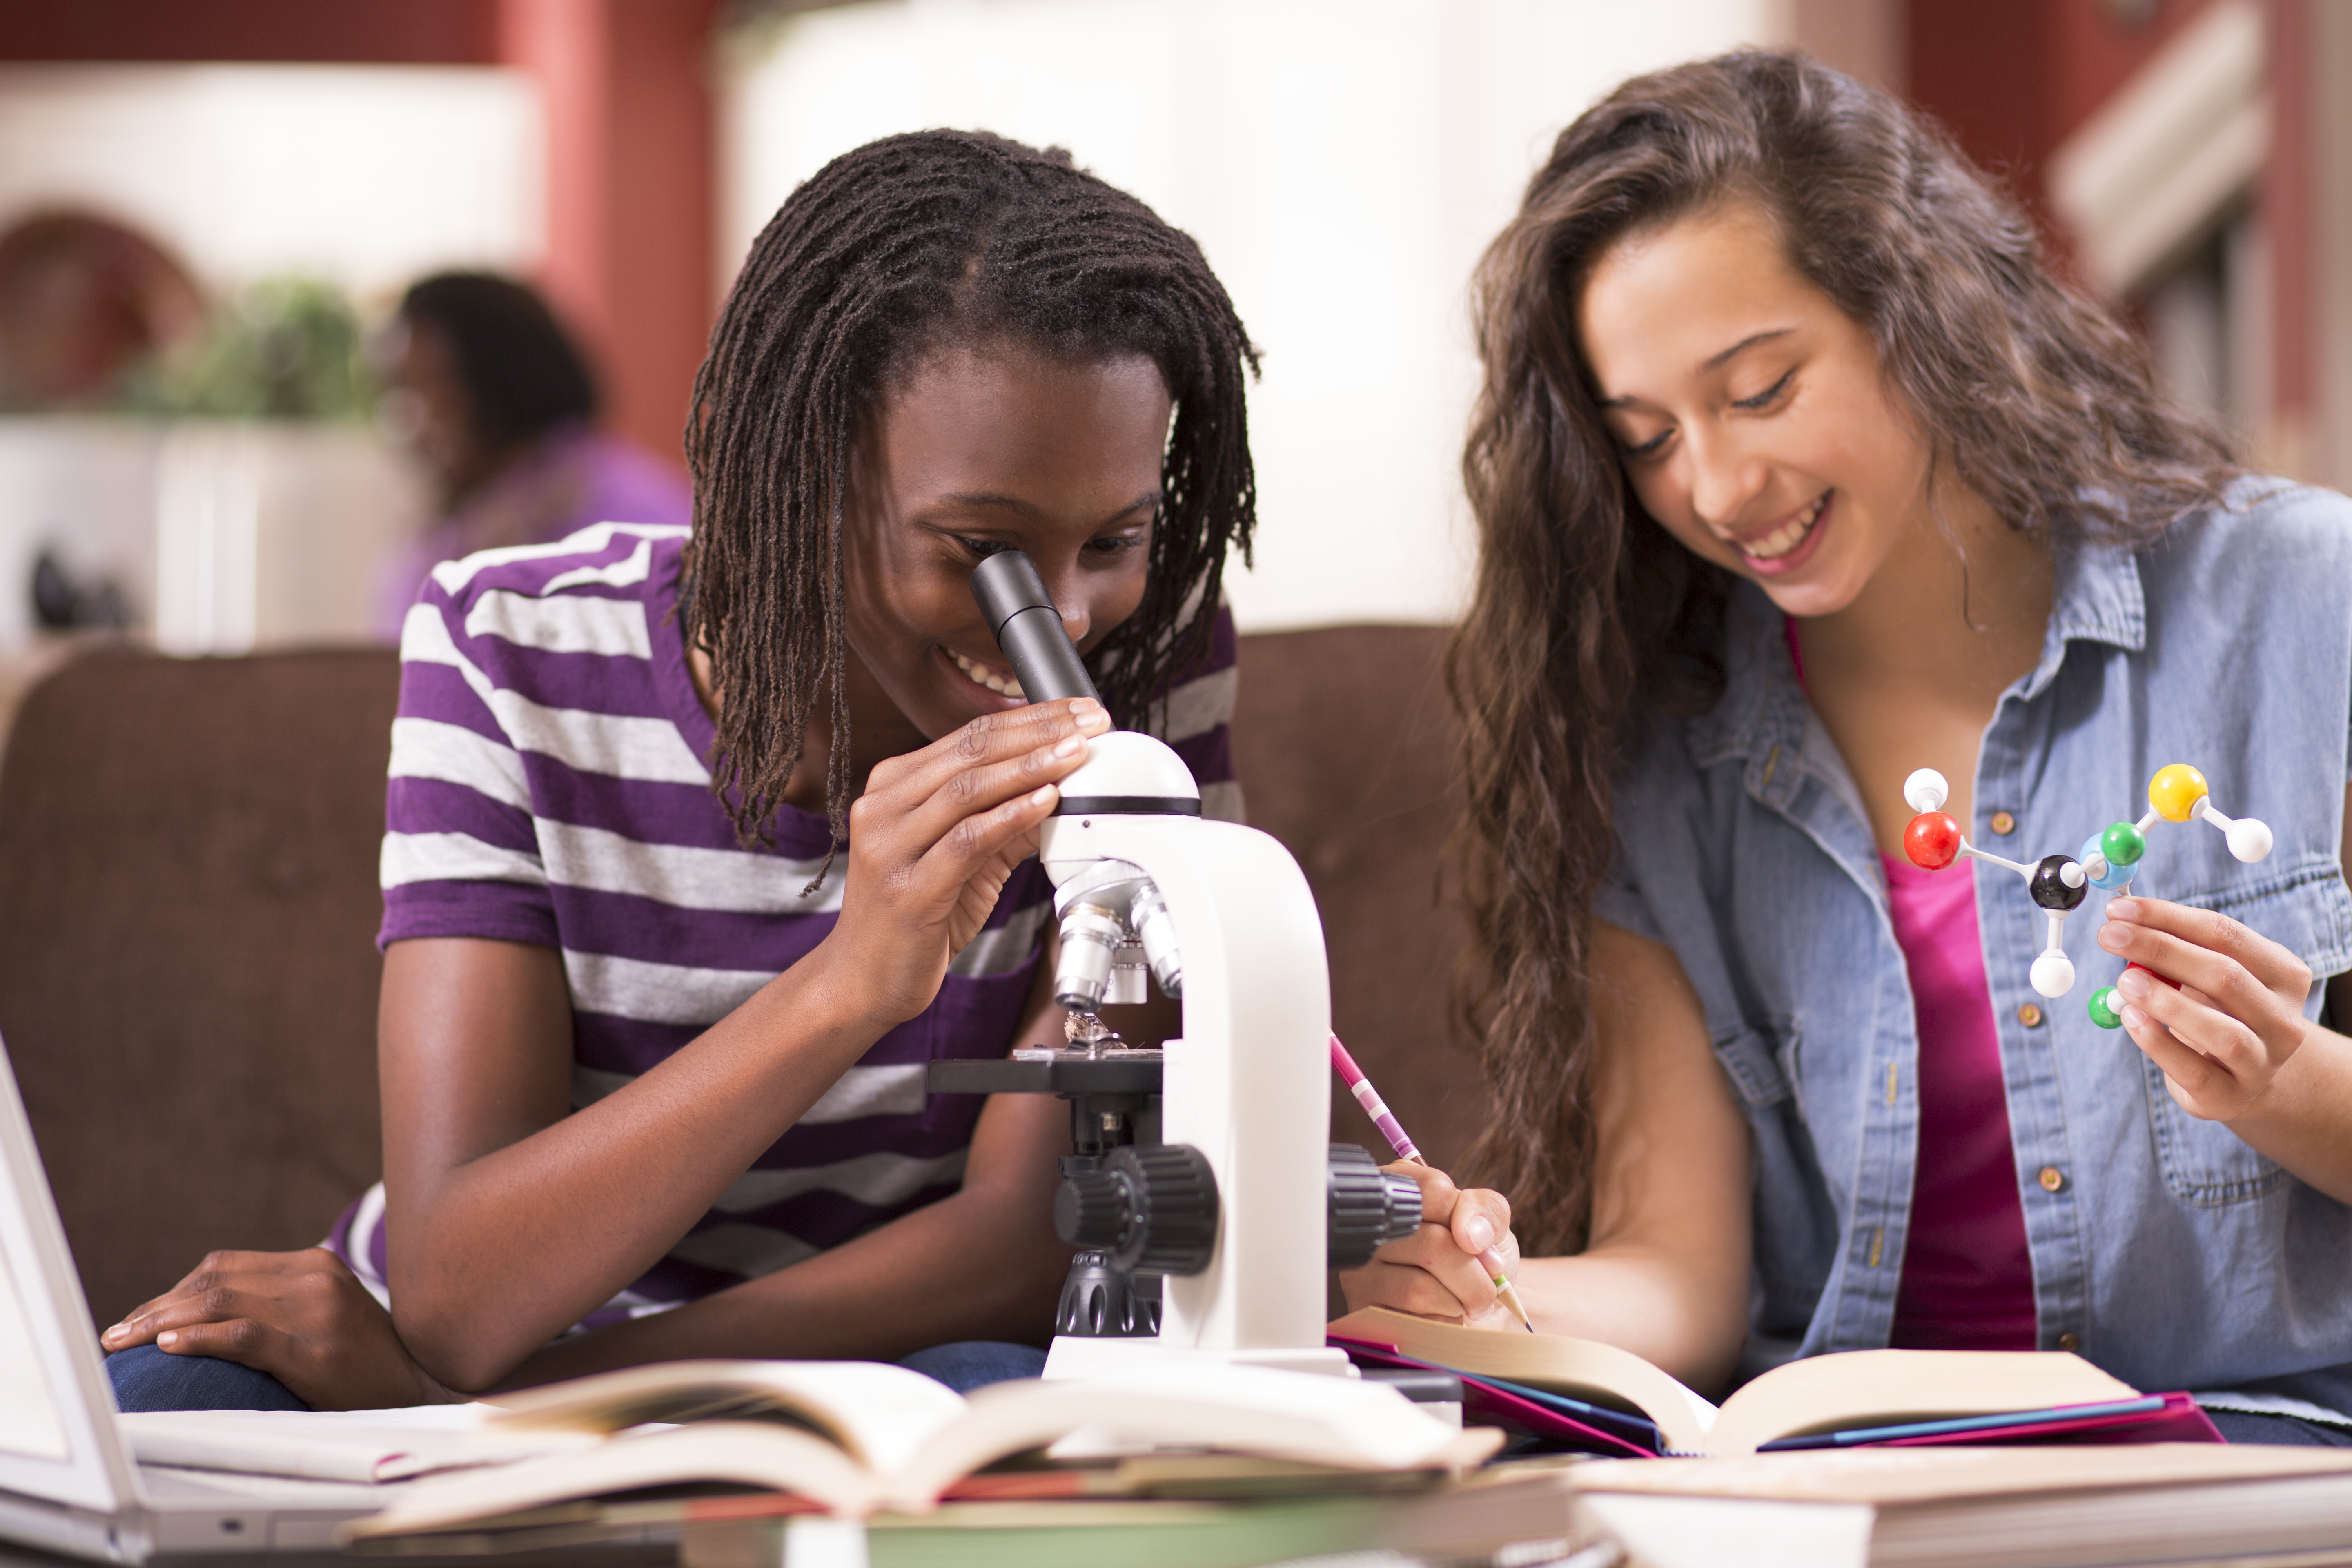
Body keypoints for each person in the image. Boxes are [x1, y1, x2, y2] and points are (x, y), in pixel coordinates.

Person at [100, 131, 1259, 1410]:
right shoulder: (511, 644)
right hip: (482, 1322)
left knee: (1016, 1411)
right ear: (785, 468)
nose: (1069, 617)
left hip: (875, 1343)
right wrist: (852, 983)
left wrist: (546, 1397)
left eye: (1118, 537)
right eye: (981, 544)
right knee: (163, 1405)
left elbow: (1031, 1235)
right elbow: (459, 1287)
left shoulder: (1150, 668)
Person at [1347, 51, 2352, 1444]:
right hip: (1847, 1467)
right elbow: (1678, 1280)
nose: (1715, 488)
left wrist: (2293, 1088)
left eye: (1759, 390)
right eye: (1645, 440)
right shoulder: (1664, 751)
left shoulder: (2307, 601)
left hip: (2262, 1449)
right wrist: (1464, 1292)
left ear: (1916, 311)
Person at [370, 272, 693, 637]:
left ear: (498, 381)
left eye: (430, 387)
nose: (413, 422)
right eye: (398, 392)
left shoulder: (633, 515)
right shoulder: (446, 536)